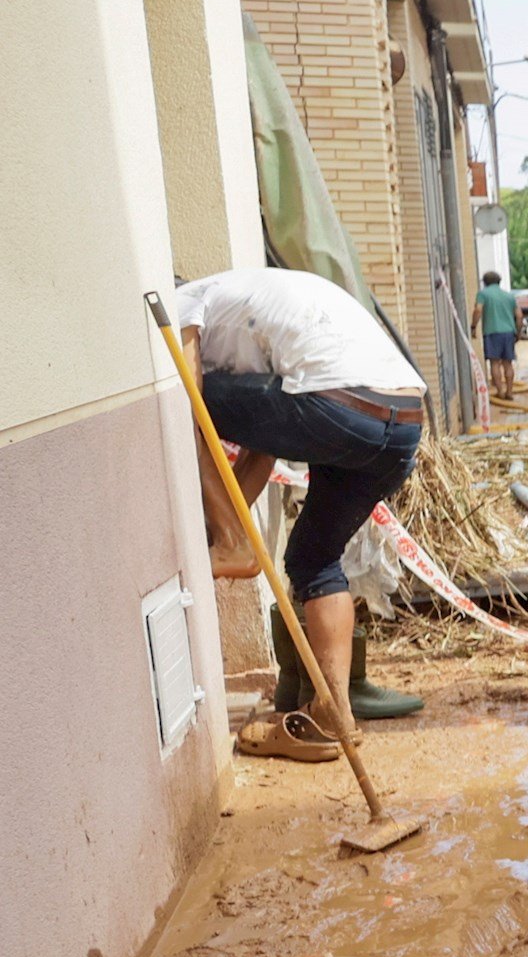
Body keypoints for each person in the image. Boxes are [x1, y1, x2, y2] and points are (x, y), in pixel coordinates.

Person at [171, 265, 431, 759]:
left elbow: (193, 407)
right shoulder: (253, 300)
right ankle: (332, 711)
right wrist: (230, 522)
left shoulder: (185, 302)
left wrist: (226, 537)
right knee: (314, 559)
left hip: (339, 406)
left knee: (187, 399)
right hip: (403, 424)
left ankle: (232, 540)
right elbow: (263, 445)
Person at [477, 270, 520, 401]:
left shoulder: (483, 294)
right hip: (508, 333)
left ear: (485, 282)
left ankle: (500, 391)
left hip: (492, 332)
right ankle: (510, 392)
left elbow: (478, 310)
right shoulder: (509, 296)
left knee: (494, 363)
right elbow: (519, 315)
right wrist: (517, 332)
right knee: (508, 363)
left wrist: (473, 326)